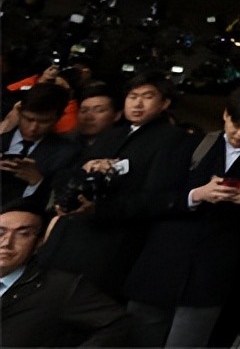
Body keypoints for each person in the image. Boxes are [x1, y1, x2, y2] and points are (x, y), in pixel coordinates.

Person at [122, 84, 240, 347]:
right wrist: (197, 194)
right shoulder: (190, 144)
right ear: (225, 114)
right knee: (136, 339)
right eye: (236, 124)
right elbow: (153, 198)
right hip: (161, 265)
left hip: (211, 277)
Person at [39, 72, 196, 300]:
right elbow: (69, 173)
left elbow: (158, 197)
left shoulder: (173, 139)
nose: (138, 103)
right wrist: (84, 174)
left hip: (110, 243)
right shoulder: (112, 134)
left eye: (147, 97)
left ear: (164, 103)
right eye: (133, 96)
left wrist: (99, 208)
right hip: (71, 231)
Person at [0, 198, 132, 346]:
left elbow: (118, 324)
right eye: (0, 232)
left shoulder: (60, 287)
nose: (6, 242)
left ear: (39, 243)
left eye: (23, 234)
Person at [0, 83, 80, 207]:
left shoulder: (66, 153)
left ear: (58, 118)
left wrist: (37, 181)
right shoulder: (3, 139)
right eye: (28, 119)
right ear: (19, 112)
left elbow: (62, 200)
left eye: (44, 122)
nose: (33, 128)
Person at [75, 81, 123, 149]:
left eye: (99, 110)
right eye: (83, 111)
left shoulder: (125, 146)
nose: (89, 117)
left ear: (117, 115)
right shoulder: (66, 146)